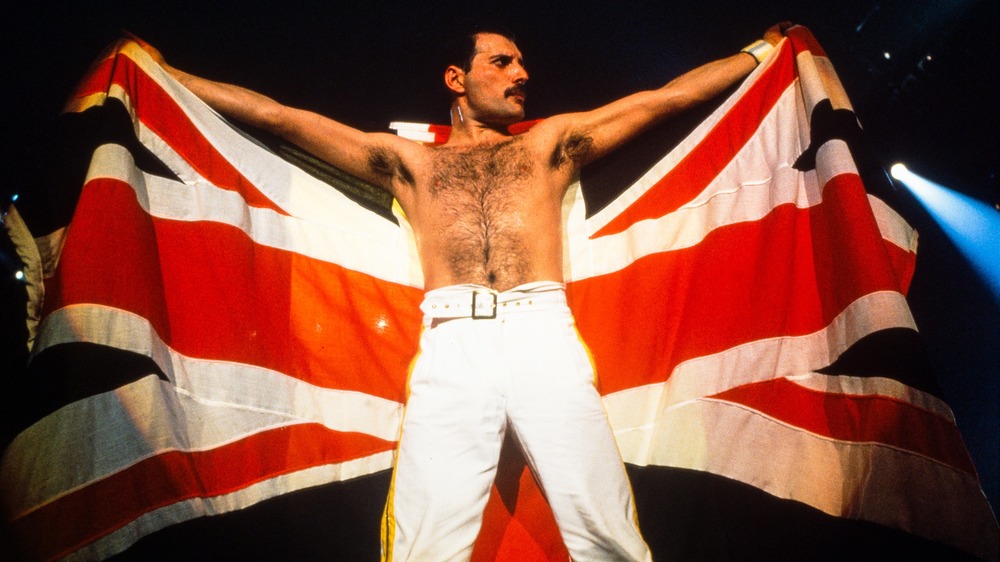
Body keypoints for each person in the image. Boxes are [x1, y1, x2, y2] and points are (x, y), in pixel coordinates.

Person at [133, 23, 785, 561]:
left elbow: (664, 99)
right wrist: (168, 76)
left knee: (603, 523)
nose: (521, 73)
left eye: (522, 63)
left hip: (541, 330)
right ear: (457, 79)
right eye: (503, 62)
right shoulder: (409, 163)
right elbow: (280, 117)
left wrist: (756, 55)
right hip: (452, 341)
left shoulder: (552, 145)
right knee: (428, 539)